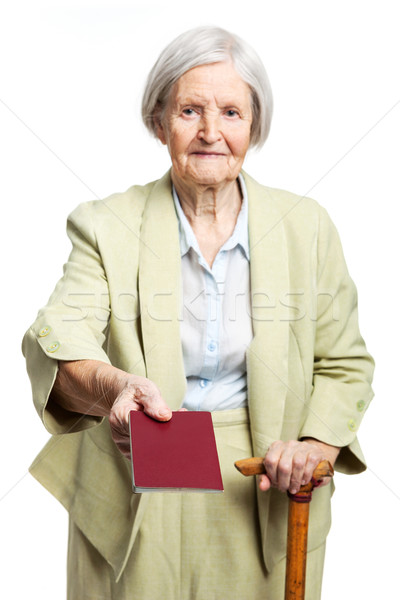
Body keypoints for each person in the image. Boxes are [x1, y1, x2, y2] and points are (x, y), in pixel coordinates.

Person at [22, 26, 374, 600]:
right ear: (160, 121)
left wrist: (313, 446)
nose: (212, 132)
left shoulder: (308, 227)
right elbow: (59, 333)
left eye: (232, 112)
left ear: (254, 125)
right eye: (190, 110)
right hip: (133, 473)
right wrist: (114, 385)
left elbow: (344, 365)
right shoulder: (104, 223)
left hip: (262, 481)